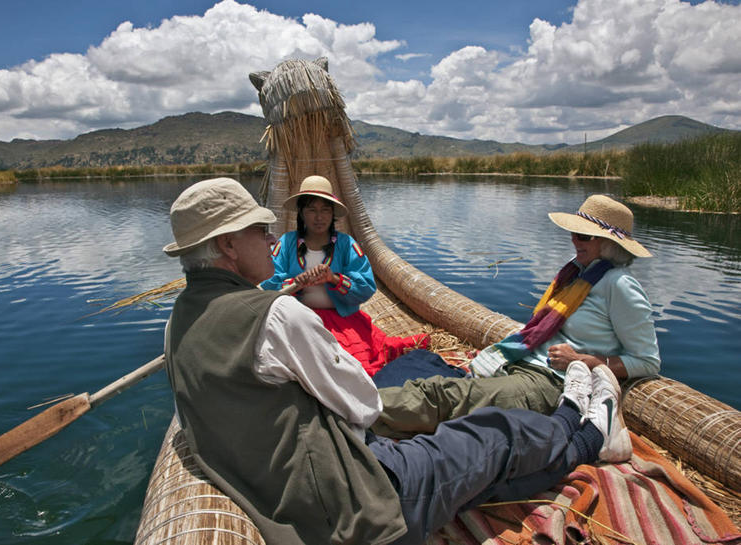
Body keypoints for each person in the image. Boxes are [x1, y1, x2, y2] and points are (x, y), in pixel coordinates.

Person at [162, 178, 632, 545]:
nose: (269, 239)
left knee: (437, 411)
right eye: (257, 231)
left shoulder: (176, 322)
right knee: (495, 434)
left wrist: (335, 285)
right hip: (364, 505)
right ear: (228, 246)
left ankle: (560, 426)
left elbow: (358, 292)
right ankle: (587, 430)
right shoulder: (274, 312)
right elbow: (364, 405)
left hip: (307, 487)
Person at [374, 194, 660, 438]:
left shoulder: (620, 285)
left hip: (551, 382)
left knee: (444, 396)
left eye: (583, 235)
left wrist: (582, 360)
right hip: (522, 363)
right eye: (573, 232)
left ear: (608, 243)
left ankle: (354, 413)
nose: (574, 240)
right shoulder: (577, 273)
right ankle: (367, 416)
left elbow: (647, 361)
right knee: (426, 373)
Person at [260, 175, 427, 375]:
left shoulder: (347, 244)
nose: (319, 217)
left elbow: (366, 287)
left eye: (325, 210)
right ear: (301, 213)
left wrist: (334, 279)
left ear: (332, 214)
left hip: (341, 323)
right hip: (298, 322)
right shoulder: (286, 243)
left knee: (352, 368)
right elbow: (266, 282)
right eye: (311, 210)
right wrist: (296, 283)